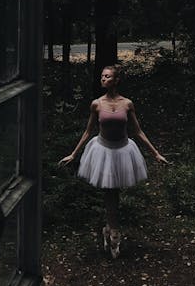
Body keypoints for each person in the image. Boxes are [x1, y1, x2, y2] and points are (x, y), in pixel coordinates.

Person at [58, 64, 168, 259]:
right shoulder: (97, 104)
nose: (103, 79)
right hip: (103, 151)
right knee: (110, 192)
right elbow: (88, 131)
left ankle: (109, 229)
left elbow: (138, 131)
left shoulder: (127, 104)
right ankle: (114, 232)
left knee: (114, 192)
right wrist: (74, 154)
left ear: (116, 80)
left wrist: (156, 154)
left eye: (107, 76)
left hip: (123, 150)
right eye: (102, 76)